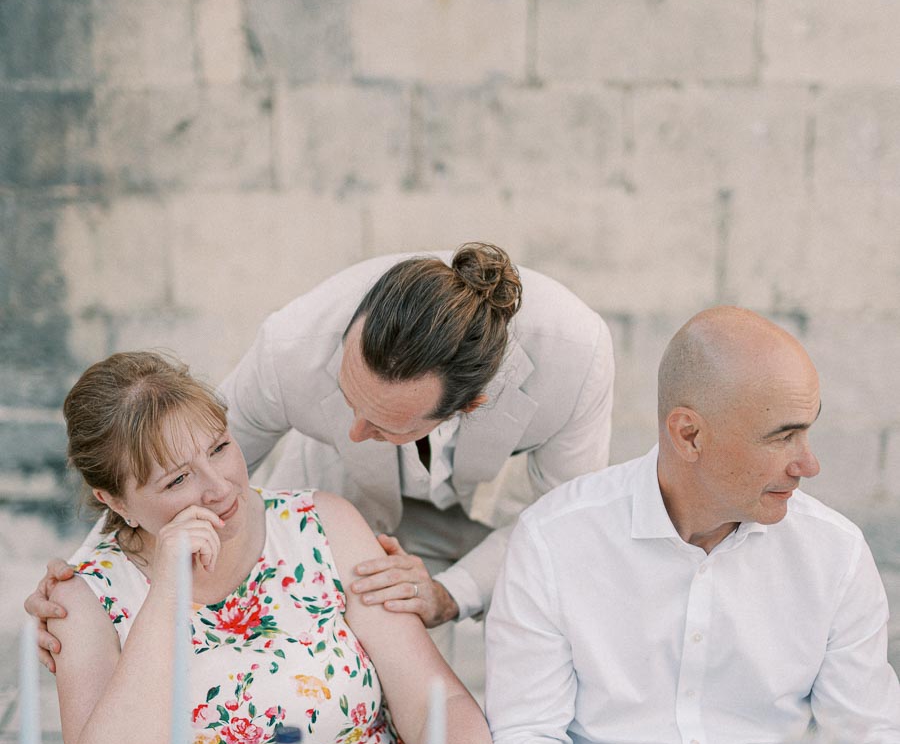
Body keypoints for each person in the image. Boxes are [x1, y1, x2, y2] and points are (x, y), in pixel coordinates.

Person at [28, 243, 615, 668]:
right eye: (347, 396)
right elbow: (177, 476)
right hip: (341, 497)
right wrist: (82, 584)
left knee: (559, 621)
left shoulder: (576, 359)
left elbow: (562, 521)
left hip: (490, 514)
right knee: (353, 662)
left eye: (383, 423)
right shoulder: (292, 346)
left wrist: (451, 592)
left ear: (472, 405)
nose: (354, 430)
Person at [49, 350, 508, 744]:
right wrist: (167, 592)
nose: (220, 488)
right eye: (178, 480)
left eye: (220, 448)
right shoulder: (82, 597)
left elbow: (432, 699)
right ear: (113, 501)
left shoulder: (324, 525)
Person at [485, 306, 900, 744]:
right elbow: (523, 733)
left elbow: (868, 743)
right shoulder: (553, 539)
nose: (808, 463)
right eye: (783, 437)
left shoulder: (836, 555)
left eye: (808, 430)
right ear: (689, 434)